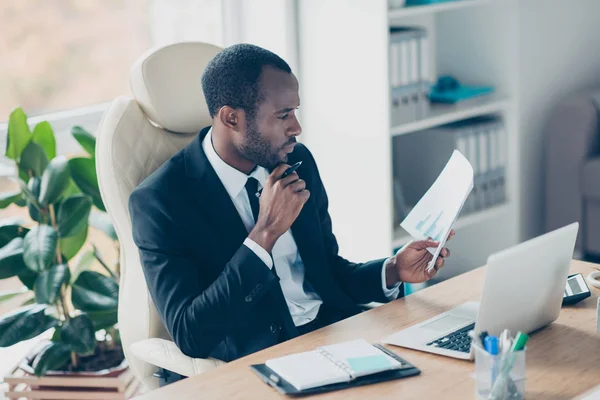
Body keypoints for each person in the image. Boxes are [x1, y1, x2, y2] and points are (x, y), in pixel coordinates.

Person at [129, 43, 453, 383]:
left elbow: (327, 273)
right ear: (231, 117)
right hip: (257, 363)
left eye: (294, 112)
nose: (296, 127)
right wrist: (264, 234)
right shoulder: (160, 202)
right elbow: (190, 333)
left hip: (334, 339)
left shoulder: (297, 163)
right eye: (283, 115)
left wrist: (392, 270)